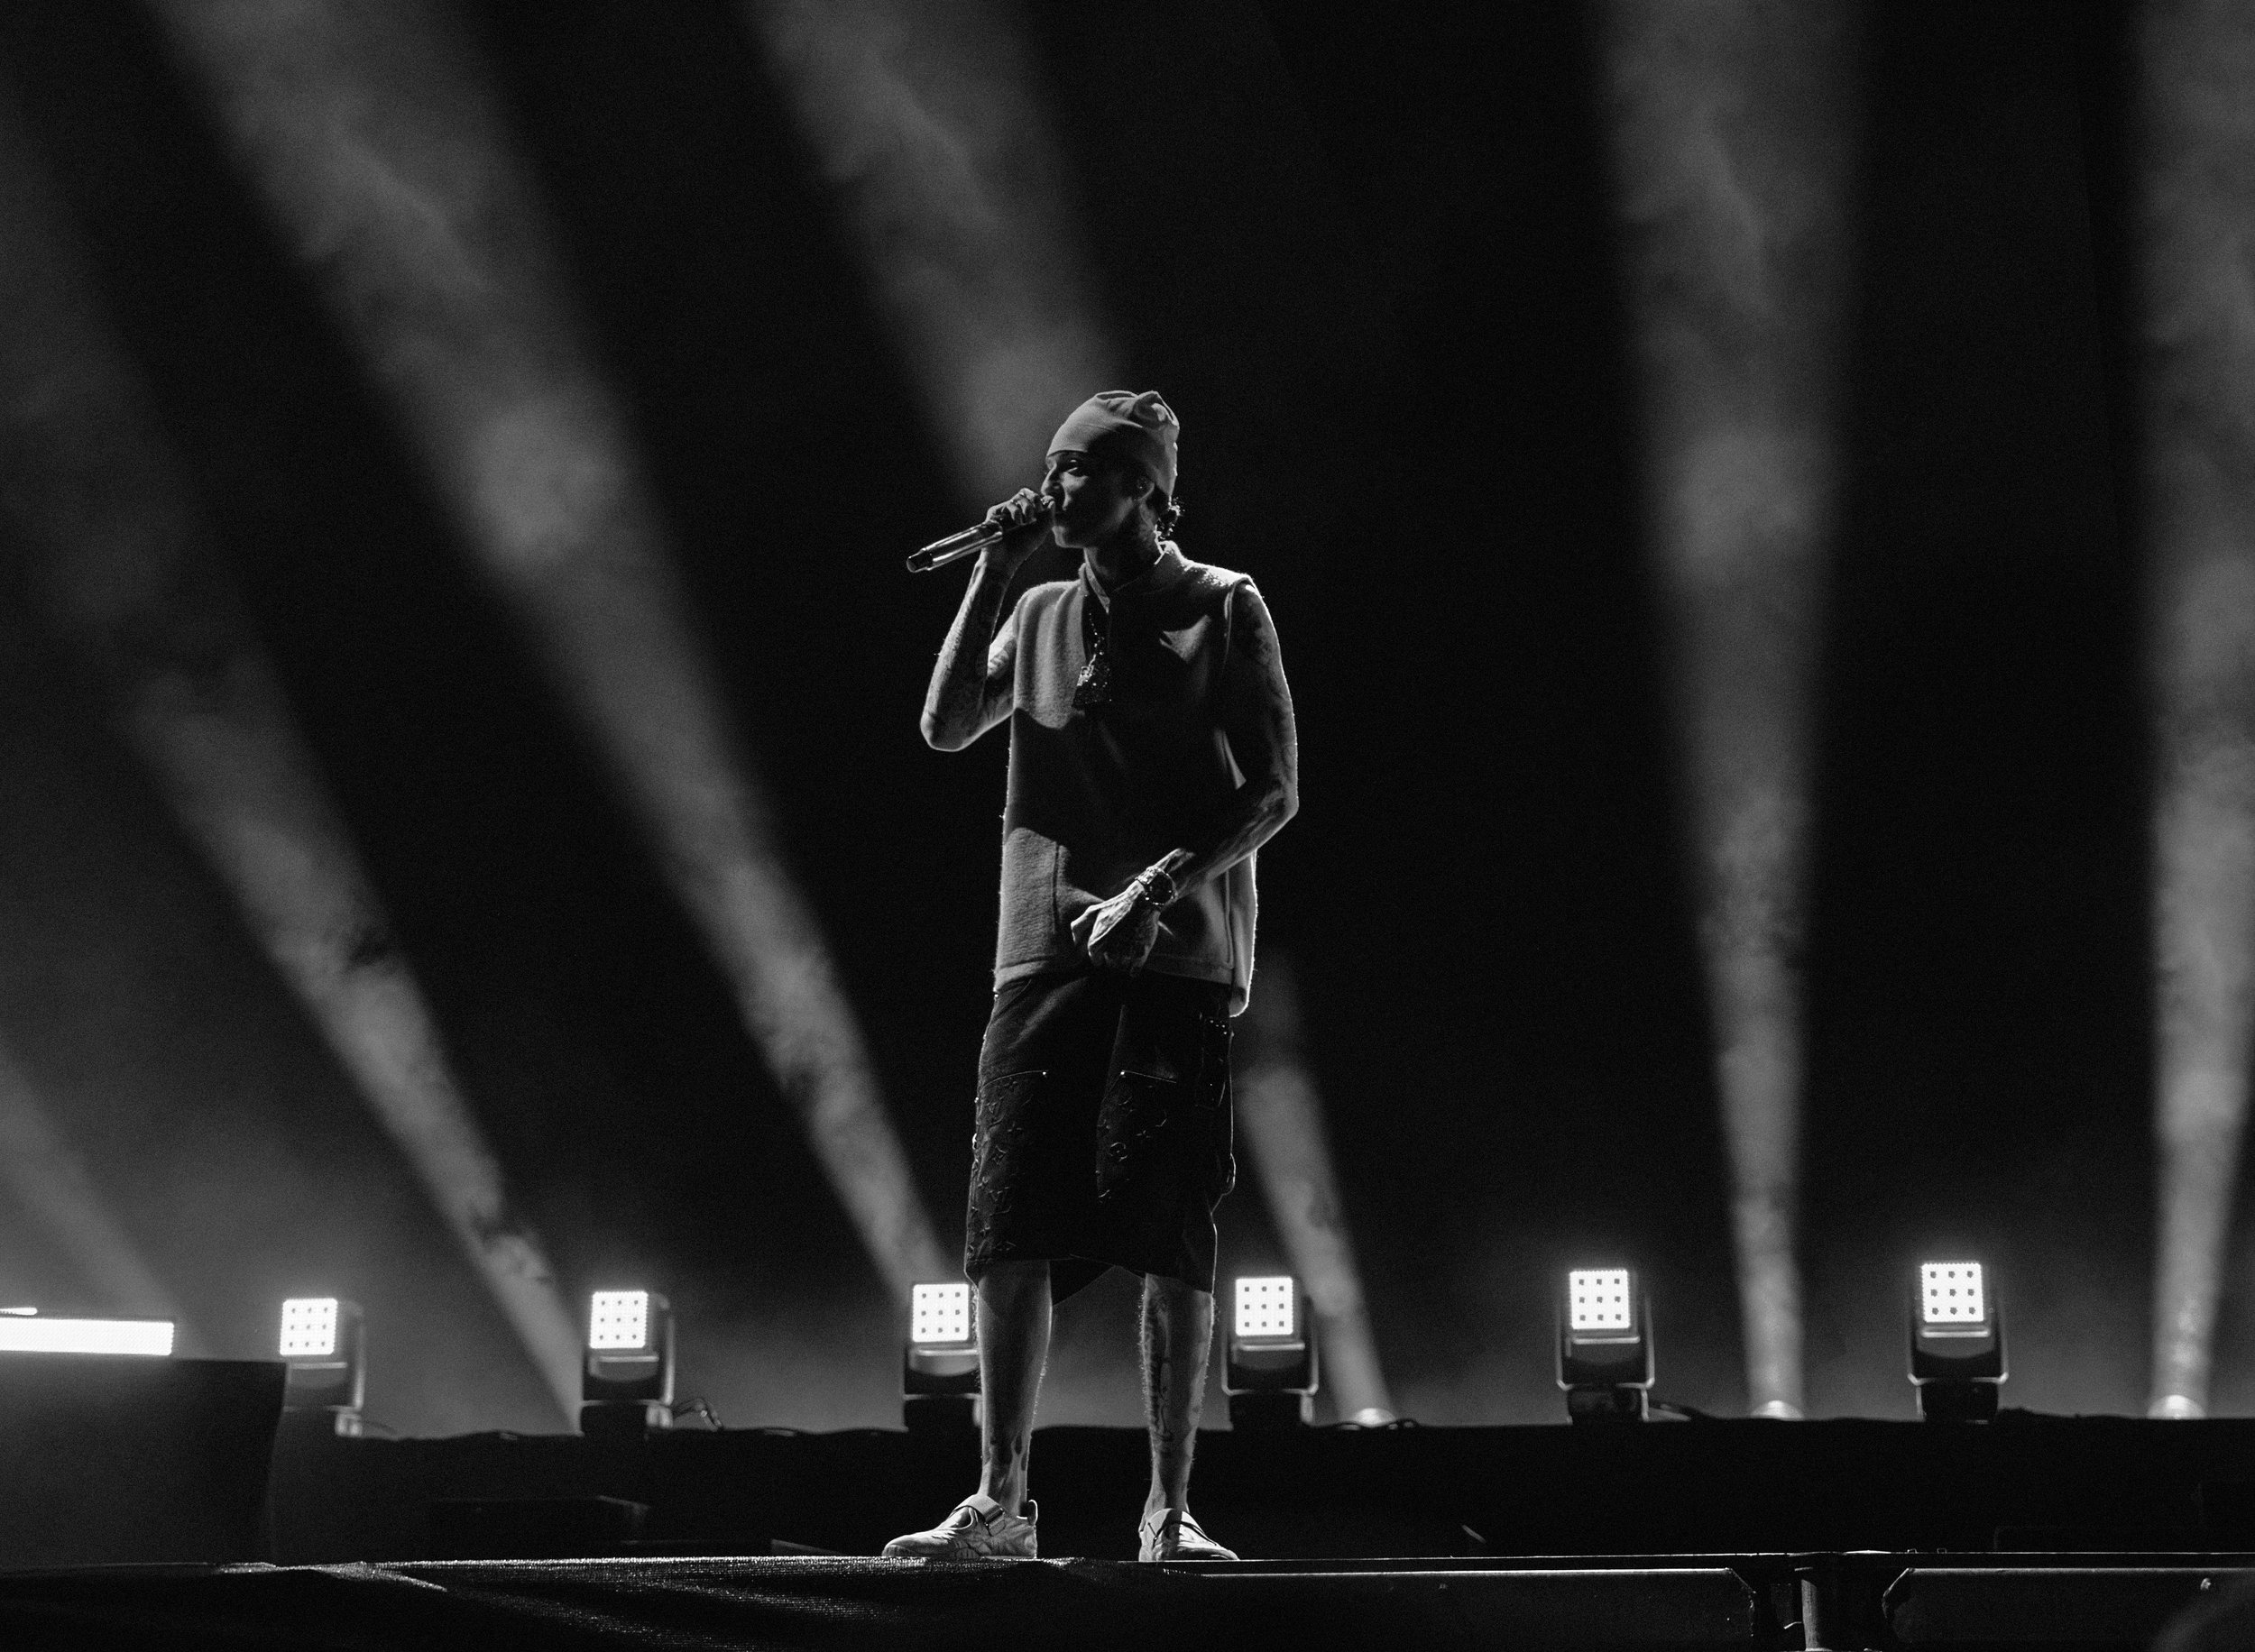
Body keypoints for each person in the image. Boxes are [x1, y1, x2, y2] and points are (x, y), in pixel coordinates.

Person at [885, 390, 1299, 1563]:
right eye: (1054, 471)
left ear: (1151, 492)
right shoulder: (1042, 603)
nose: (1060, 490)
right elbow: (949, 724)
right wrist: (993, 571)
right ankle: (1002, 1501)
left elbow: (1273, 790)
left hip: (1175, 959)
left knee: (1167, 1229)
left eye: (1086, 474)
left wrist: (1157, 888)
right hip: (1039, 952)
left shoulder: (1224, 606)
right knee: (1009, 1224)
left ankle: (1170, 1509)